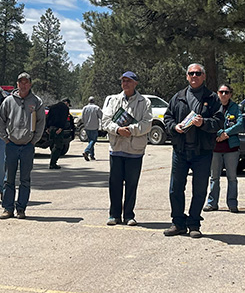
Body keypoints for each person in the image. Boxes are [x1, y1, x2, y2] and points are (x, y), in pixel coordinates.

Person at [162, 63, 222, 238]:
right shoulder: (178, 97)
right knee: (175, 188)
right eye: (191, 73)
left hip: (202, 151)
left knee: (200, 189)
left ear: (204, 76)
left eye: (197, 73)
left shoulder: (212, 98)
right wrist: (175, 127)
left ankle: (194, 224)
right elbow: (167, 117)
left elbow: (218, 121)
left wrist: (203, 123)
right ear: (187, 76)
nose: (194, 76)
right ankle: (178, 223)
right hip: (180, 150)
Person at [101, 72, 152, 225]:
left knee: (132, 184)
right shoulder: (112, 100)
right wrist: (117, 130)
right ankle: (114, 215)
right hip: (116, 148)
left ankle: (129, 215)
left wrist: (130, 129)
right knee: (115, 183)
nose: (125, 83)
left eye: (129, 81)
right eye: (123, 81)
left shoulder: (144, 102)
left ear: (136, 83)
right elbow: (105, 121)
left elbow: (147, 124)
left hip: (134, 151)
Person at [0, 72, 45, 220]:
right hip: (11, 145)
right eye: (20, 82)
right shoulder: (9, 101)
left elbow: (41, 122)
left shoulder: (36, 102)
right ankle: (8, 208)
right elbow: (1, 120)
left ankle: (21, 208)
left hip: (27, 146)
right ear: (17, 84)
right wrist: (5, 138)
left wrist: (33, 140)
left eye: (26, 82)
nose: (23, 85)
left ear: (30, 84)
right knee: (8, 179)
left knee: (25, 179)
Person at [205, 83, 241, 213]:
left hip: (231, 149)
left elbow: (240, 123)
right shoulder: (213, 107)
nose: (224, 95)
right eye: (221, 92)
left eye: (227, 92)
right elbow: (209, 122)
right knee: (214, 177)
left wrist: (227, 134)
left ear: (230, 94)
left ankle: (232, 204)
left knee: (232, 177)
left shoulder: (235, 107)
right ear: (217, 93)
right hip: (215, 148)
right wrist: (219, 133)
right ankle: (212, 203)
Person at [45, 97, 73, 169]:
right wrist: (61, 128)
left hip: (51, 128)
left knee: (53, 144)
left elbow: (48, 117)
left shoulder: (52, 107)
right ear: (67, 103)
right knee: (58, 146)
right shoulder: (65, 108)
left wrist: (47, 127)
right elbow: (63, 119)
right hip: (58, 128)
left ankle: (52, 162)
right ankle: (53, 163)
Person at [80, 96, 101, 161]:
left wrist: (84, 124)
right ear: (94, 101)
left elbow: (82, 117)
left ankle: (92, 155)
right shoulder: (96, 108)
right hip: (94, 126)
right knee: (93, 140)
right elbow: (101, 116)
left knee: (90, 141)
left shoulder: (85, 108)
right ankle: (87, 151)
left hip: (87, 126)